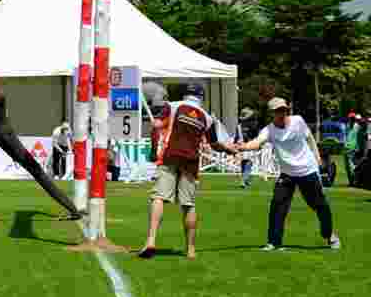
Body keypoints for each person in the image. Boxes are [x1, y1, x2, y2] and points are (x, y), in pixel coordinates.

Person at [138, 84, 236, 260]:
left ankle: (151, 240)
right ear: (201, 97)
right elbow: (214, 145)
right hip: (191, 162)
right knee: (188, 204)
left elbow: (157, 125)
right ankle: (190, 249)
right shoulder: (207, 118)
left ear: (185, 94)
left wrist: (153, 150)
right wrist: (229, 150)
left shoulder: (172, 106)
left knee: (159, 197)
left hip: (170, 156)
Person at [236, 97, 340, 251]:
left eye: (284, 110)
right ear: (272, 113)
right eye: (278, 111)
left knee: (319, 205)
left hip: (307, 170)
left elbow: (310, 138)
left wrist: (317, 157)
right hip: (287, 174)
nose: (282, 113)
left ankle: (330, 235)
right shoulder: (269, 130)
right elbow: (257, 142)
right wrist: (244, 147)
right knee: (277, 205)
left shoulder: (298, 121)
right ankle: (274, 242)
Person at [235, 107, 259, 188]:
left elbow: (236, 138)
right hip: (249, 146)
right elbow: (256, 136)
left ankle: (246, 180)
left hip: (240, 146)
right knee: (248, 164)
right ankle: (243, 181)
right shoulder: (253, 126)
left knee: (244, 164)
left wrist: (234, 145)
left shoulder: (238, 126)